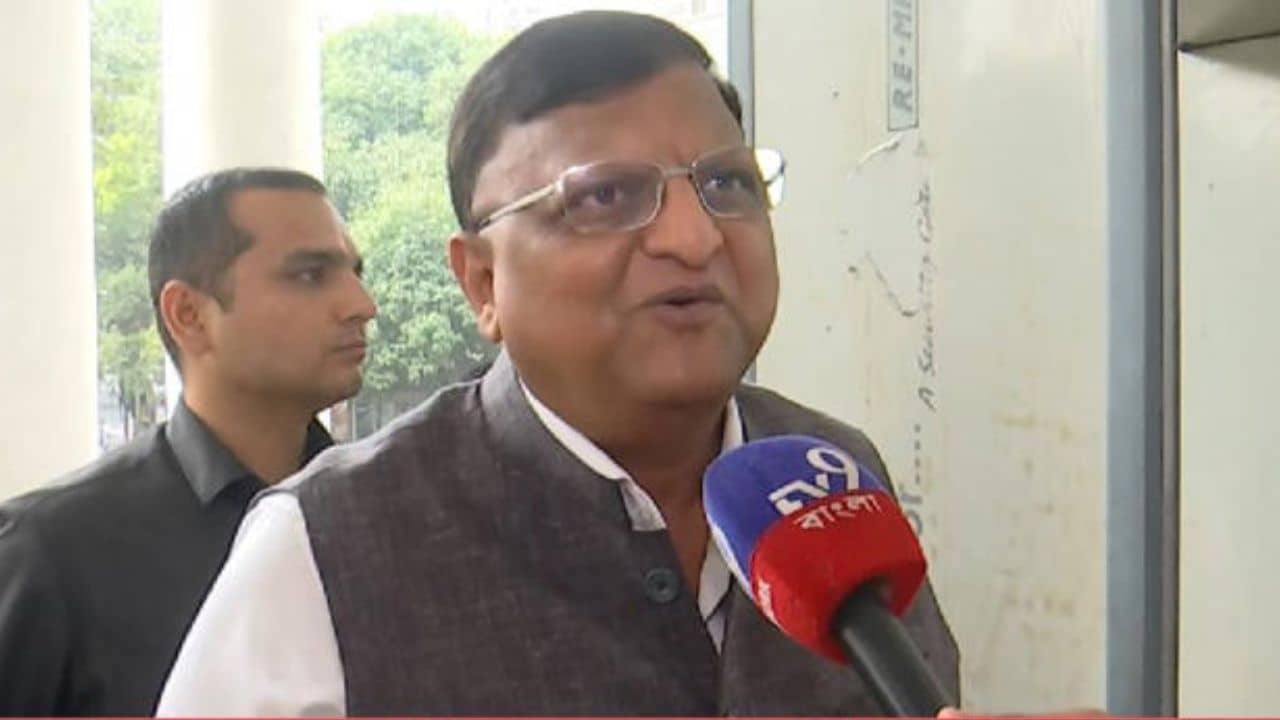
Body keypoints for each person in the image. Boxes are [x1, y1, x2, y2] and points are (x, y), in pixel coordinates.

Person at [157, 11, 959, 716]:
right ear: (482, 282)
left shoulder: (833, 476)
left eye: (726, 182)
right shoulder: (325, 546)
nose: (695, 238)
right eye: (605, 196)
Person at [0, 167, 377, 715]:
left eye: (355, 273)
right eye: (310, 275)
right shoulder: (52, 553)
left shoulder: (388, 516)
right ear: (189, 315)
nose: (362, 304)